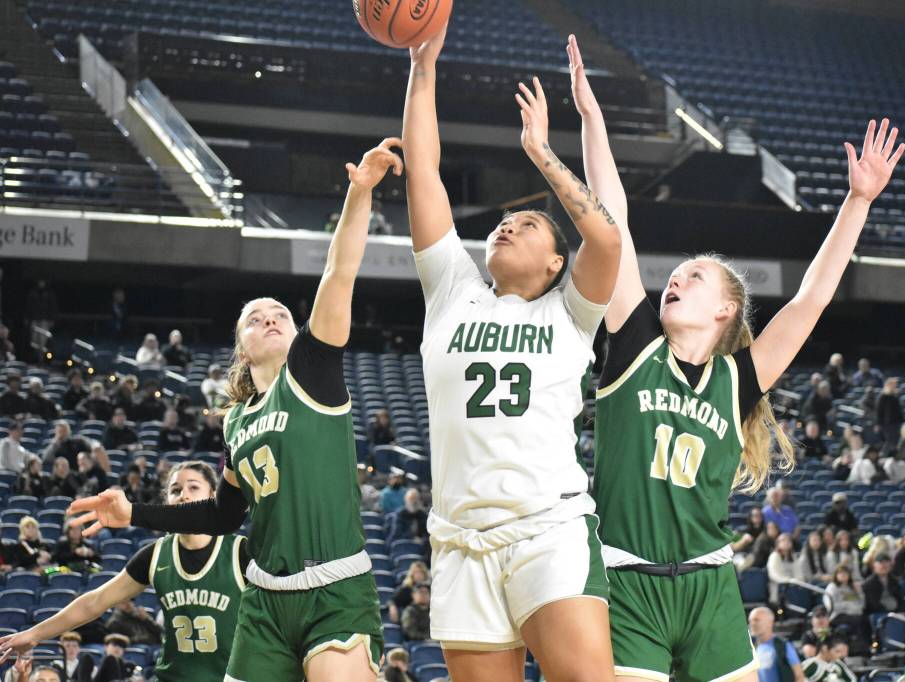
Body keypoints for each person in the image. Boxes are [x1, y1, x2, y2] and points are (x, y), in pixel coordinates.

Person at [65, 139, 402, 682]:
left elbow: (339, 272)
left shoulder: (312, 371)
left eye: (280, 315)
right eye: (255, 317)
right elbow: (223, 515)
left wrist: (358, 195)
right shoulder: (237, 420)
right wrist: (135, 514)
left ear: (298, 333)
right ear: (241, 347)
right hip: (265, 600)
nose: (270, 319)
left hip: (334, 588)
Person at [404, 29, 625, 681]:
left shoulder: (569, 310)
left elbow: (607, 242)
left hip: (547, 528)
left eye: (527, 225)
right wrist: (422, 67)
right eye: (504, 222)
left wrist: (542, 154)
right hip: (458, 540)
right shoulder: (452, 290)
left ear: (557, 262)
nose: (507, 225)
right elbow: (424, 170)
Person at [0, 461, 246, 681]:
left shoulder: (239, 551)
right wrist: (34, 634)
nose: (183, 496)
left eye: (194, 487)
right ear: (166, 500)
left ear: (214, 496)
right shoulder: (156, 555)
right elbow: (94, 602)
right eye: (175, 490)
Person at [749, 607, 805, 682]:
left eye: (756, 620)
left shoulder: (783, 646)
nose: (752, 624)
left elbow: (799, 676)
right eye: (750, 621)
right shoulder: (752, 648)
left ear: (770, 622)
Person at [824, 565, 867, 641]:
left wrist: (860, 592)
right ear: (836, 575)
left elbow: (862, 604)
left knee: (865, 619)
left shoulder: (854, 587)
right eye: (840, 573)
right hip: (838, 615)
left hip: (855, 614)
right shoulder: (832, 587)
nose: (843, 575)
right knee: (857, 620)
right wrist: (848, 605)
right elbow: (830, 605)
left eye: (845, 573)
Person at [767, 534, 806, 605]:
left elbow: (799, 573)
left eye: (788, 540)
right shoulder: (774, 556)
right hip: (779, 589)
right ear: (778, 544)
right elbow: (774, 575)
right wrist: (789, 580)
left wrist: (798, 580)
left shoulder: (793, 556)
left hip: (794, 588)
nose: (786, 542)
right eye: (783, 540)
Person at [863, 553, 905, 619]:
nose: (884, 566)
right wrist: (888, 613)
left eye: (886, 563)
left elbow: (900, 598)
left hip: (896, 612)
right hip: (879, 614)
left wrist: (901, 611)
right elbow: (872, 604)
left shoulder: (894, 581)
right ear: (875, 565)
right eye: (881, 563)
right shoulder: (869, 583)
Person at [876, 378, 904, 453]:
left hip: (896, 423)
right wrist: (878, 423)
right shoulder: (883, 396)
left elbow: (899, 410)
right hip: (887, 424)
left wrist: (902, 421)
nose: (895, 386)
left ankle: (892, 456)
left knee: (895, 441)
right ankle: (883, 455)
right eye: (892, 385)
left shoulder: (895, 396)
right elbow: (879, 411)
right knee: (889, 441)